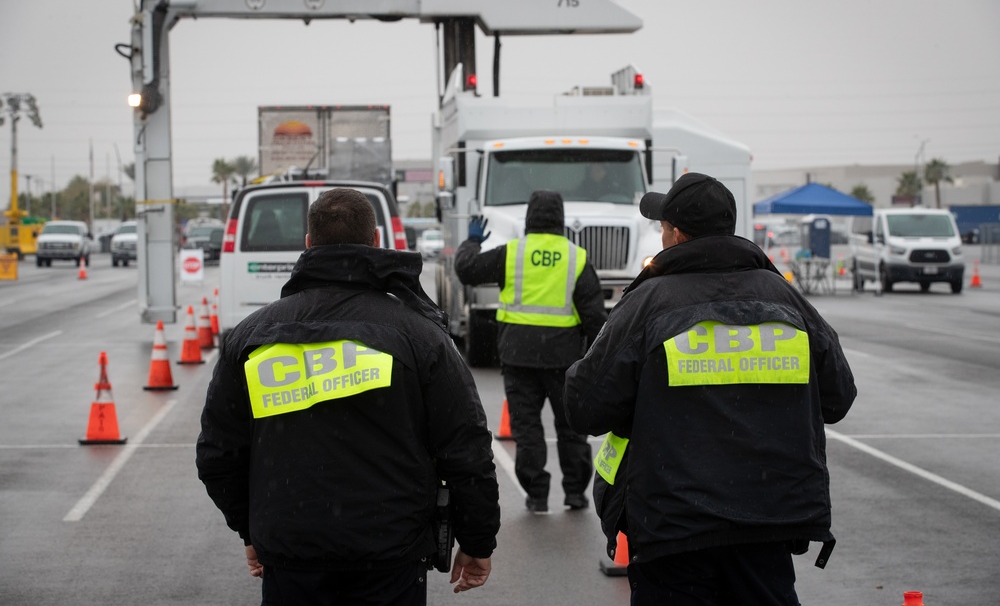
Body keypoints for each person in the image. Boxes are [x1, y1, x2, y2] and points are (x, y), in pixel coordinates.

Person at [196, 187, 500, 605]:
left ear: (307, 245)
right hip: (390, 558)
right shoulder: (419, 336)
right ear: (375, 242)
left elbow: (218, 455)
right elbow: (466, 449)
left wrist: (253, 530)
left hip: (292, 557)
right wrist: (478, 539)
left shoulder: (253, 336)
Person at [564, 172, 857, 605]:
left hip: (675, 529)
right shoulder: (783, 297)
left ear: (677, 234)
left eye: (662, 227)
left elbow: (585, 407)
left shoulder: (650, 302)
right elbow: (839, 397)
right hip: (768, 523)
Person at [455, 190, 606, 513]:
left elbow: (467, 270)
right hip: (564, 358)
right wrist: (595, 361)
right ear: (561, 220)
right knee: (570, 427)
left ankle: (537, 494)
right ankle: (575, 493)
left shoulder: (513, 253)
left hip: (518, 356)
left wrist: (471, 242)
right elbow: (595, 317)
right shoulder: (575, 256)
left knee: (527, 428)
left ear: (529, 219)